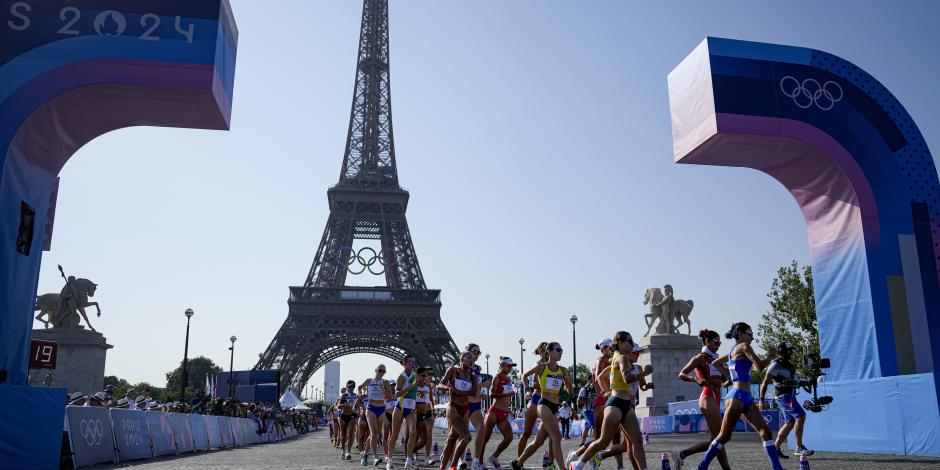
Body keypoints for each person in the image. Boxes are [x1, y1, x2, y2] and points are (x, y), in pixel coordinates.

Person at [694, 322, 784, 470]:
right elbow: (760, 366)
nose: (752, 337)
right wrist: (771, 356)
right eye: (750, 333)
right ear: (740, 333)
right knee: (723, 436)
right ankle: (701, 467)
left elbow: (716, 363)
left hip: (742, 396)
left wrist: (730, 377)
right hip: (738, 396)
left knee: (766, 432)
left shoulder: (732, 351)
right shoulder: (743, 346)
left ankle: (778, 468)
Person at [569, 331, 651, 470]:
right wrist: (644, 373)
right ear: (620, 343)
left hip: (624, 404)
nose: (632, 345)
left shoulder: (618, 358)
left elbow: (606, 376)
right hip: (616, 404)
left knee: (637, 442)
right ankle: (577, 464)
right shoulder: (622, 358)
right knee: (603, 442)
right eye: (630, 342)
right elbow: (628, 379)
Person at [671, 329, 731, 470]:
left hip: (715, 397)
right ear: (708, 342)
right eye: (717, 342)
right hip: (707, 396)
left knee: (714, 440)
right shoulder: (700, 358)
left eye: (720, 342)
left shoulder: (717, 360)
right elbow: (682, 374)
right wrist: (695, 379)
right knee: (720, 438)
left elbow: (723, 382)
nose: (719, 344)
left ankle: (681, 454)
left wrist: (733, 380)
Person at [512, 341, 573, 470]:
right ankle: (562, 468)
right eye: (557, 350)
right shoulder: (541, 367)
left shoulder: (563, 370)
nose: (560, 352)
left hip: (555, 406)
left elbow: (570, 392)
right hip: (543, 404)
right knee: (556, 436)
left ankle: (518, 463)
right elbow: (524, 375)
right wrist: (528, 389)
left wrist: (568, 384)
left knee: (539, 441)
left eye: (561, 350)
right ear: (548, 352)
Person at [761, 341, 814, 457]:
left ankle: (775, 449)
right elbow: (765, 382)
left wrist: (805, 380)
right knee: (800, 415)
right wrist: (761, 399)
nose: (791, 352)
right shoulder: (775, 364)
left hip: (790, 396)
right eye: (789, 350)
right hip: (784, 397)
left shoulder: (790, 365)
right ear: (782, 352)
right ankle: (799, 447)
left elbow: (794, 378)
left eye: (791, 350)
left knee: (790, 423)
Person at [437, 351, 480, 470]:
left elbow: (473, 393)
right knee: (467, 437)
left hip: (465, 409)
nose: (472, 360)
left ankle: (442, 467)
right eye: (469, 357)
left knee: (452, 439)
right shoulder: (453, 370)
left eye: (473, 359)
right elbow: (440, 384)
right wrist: (447, 388)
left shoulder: (473, 377)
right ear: (461, 359)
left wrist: (457, 391)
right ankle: (453, 465)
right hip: (454, 407)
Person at [473, 356, 517, 470]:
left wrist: (509, 400)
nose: (510, 368)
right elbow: (491, 395)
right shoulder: (496, 378)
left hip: (503, 413)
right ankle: (480, 462)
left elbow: (507, 395)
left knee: (509, 437)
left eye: (511, 366)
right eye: (508, 366)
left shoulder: (508, 379)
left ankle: (494, 457)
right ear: (502, 365)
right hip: (494, 412)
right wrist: (507, 395)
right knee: (485, 438)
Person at [388, 356, 420, 470]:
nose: (413, 363)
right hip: (400, 407)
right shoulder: (401, 377)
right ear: (405, 363)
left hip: (411, 407)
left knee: (413, 432)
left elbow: (424, 385)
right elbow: (397, 395)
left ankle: (408, 460)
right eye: (410, 362)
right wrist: (412, 386)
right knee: (395, 435)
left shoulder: (417, 375)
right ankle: (389, 460)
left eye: (414, 362)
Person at [359, 364, 392, 466]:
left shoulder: (385, 382)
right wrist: (362, 392)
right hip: (371, 408)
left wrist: (383, 389)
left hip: (381, 409)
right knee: (373, 433)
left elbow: (389, 396)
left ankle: (365, 454)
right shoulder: (369, 381)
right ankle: (374, 457)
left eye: (383, 371)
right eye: (380, 370)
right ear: (376, 370)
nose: (381, 372)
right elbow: (359, 387)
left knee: (375, 434)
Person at [465, 344, 491, 470]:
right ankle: (458, 460)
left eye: (478, 352)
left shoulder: (478, 369)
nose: (476, 354)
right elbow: (466, 385)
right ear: (467, 352)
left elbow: (475, 387)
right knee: (458, 435)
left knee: (482, 429)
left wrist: (480, 393)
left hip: (475, 404)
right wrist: (482, 385)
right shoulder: (462, 368)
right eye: (474, 351)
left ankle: (476, 461)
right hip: (463, 404)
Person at [412, 367, 437, 465]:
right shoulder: (415, 385)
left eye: (431, 374)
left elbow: (430, 399)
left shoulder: (429, 386)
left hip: (428, 412)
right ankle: (414, 453)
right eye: (428, 374)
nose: (430, 376)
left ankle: (428, 457)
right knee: (417, 435)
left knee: (429, 434)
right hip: (417, 412)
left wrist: (433, 410)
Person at [336, 380, 361, 460]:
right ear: (346, 387)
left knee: (351, 434)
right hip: (344, 416)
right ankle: (343, 450)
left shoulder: (356, 395)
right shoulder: (344, 395)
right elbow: (338, 406)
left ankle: (348, 452)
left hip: (353, 416)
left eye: (353, 386)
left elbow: (359, 405)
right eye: (349, 386)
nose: (351, 388)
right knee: (343, 436)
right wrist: (345, 404)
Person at [576, 380, 595, 447]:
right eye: (593, 381)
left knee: (587, 427)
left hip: (592, 411)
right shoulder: (584, 389)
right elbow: (578, 400)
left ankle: (583, 442)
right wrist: (589, 401)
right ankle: (596, 442)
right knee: (594, 425)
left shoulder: (593, 389)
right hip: (586, 410)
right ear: (589, 381)